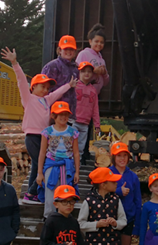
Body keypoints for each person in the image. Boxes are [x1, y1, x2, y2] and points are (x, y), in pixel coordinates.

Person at [0, 47, 76, 203]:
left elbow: (56, 94)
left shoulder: (46, 101)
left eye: (47, 87)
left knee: (37, 164)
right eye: (42, 86)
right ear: (33, 87)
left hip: (43, 136)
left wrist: (69, 85)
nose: (46, 90)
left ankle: (32, 192)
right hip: (32, 136)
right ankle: (31, 192)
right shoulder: (28, 98)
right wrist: (14, 63)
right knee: (39, 162)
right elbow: (21, 80)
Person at [78, 167, 128, 245]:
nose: (116, 184)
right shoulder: (89, 201)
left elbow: (123, 220)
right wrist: (96, 224)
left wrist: (115, 223)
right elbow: (81, 223)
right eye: (113, 181)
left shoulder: (116, 199)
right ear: (103, 185)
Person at [37, 101, 81, 218]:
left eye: (66, 114)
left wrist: (77, 172)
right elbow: (42, 152)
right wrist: (40, 173)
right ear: (53, 116)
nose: (63, 117)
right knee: (50, 192)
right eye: (60, 114)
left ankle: (65, 217)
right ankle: (49, 218)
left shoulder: (73, 132)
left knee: (66, 192)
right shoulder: (47, 132)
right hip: (51, 164)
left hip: (67, 166)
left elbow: (76, 153)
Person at [109, 141, 142, 245]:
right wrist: (118, 192)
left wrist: (137, 227)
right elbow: (99, 194)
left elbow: (137, 201)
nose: (122, 159)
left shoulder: (133, 177)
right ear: (113, 157)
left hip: (127, 220)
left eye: (125, 156)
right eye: (119, 156)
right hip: (109, 220)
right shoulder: (108, 173)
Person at [75, 24, 110, 163]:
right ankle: (78, 156)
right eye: (96, 41)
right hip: (82, 96)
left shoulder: (102, 58)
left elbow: (106, 81)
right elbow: (77, 71)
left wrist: (104, 73)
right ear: (90, 41)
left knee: (87, 127)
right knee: (79, 126)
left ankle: (83, 154)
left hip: (93, 95)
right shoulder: (84, 54)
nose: (99, 44)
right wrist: (94, 71)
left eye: (101, 42)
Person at [42, 35, 80, 119]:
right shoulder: (52, 66)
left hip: (69, 113)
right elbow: (43, 89)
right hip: (53, 113)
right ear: (59, 50)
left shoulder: (76, 69)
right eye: (66, 49)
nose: (69, 52)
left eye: (71, 49)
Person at [73, 61, 104, 161]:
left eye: (89, 72)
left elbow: (95, 109)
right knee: (71, 145)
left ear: (92, 74)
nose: (86, 74)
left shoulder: (93, 90)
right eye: (83, 71)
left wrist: (97, 124)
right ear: (79, 73)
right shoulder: (74, 86)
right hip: (73, 121)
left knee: (81, 146)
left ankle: (78, 166)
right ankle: (69, 166)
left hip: (85, 123)